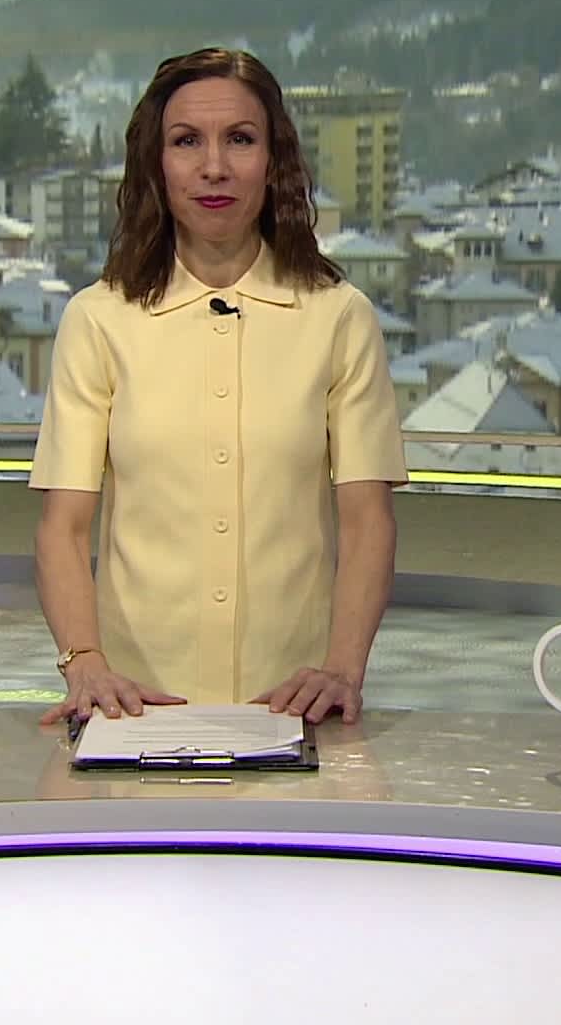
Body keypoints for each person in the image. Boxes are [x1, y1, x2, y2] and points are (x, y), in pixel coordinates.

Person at [30, 47, 406, 728]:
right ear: (156, 164)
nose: (214, 167)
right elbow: (65, 526)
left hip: (293, 714)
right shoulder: (98, 319)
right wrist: (84, 663)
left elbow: (366, 521)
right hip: (133, 714)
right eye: (186, 142)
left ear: (274, 161)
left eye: (239, 139)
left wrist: (343, 670)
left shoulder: (338, 318)